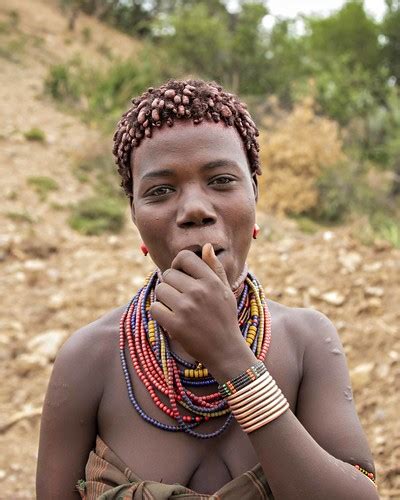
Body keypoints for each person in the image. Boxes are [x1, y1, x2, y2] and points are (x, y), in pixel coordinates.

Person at [36, 79, 378, 499]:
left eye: (220, 180)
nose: (195, 209)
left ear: (254, 192)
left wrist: (232, 358)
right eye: (160, 190)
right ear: (135, 215)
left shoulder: (308, 341)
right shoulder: (90, 359)